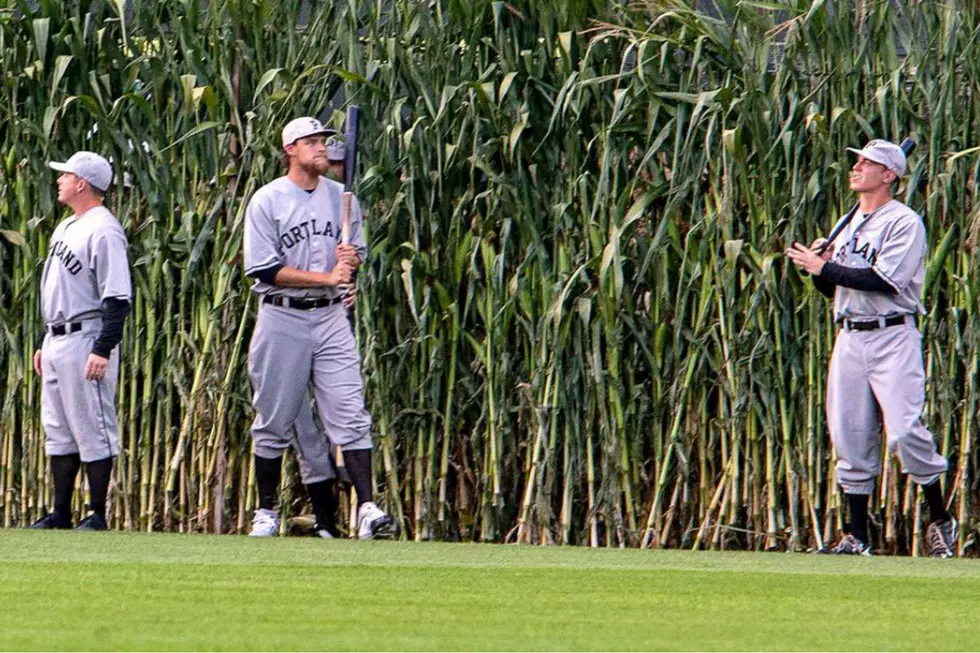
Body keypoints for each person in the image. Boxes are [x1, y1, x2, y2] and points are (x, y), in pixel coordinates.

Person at [785, 139, 956, 557]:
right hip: (849, 335)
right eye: (857, 160)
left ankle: (940, 519)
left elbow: (885, 282)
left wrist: (827, 266)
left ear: (889, 175)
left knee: (903, 432)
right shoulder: (848, 223)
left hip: (892, 334)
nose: (857, 167)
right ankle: (857, 537)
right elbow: (832, 289)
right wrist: (820, 268)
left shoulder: (903, 221)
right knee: (849, 434)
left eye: (869, 162)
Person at [242, 116, 395, 540]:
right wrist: (328, 277)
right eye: (311, 142)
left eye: (324, 141)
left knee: (350, 413)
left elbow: (357, 255)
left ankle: (366, 508)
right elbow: (265, 269)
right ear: (290, 149)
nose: (321, 148)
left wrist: (350, 261)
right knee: (273, 418)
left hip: (330, 317)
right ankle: (266, 511)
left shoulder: (342, 198)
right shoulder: (267, 200)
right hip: (282, 316)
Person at [30, 151, 132, 531]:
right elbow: (59, 290)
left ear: (82, 184)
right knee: (59, 428)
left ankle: (97, 514)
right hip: (58, 336)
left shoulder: (104, 229)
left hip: (87, 336)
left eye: (65, 175)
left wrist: (103, 348)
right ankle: (60, 513)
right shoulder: (67, 226)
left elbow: (118, 297)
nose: (59, 180)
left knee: (92, 426)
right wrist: (45, 339)